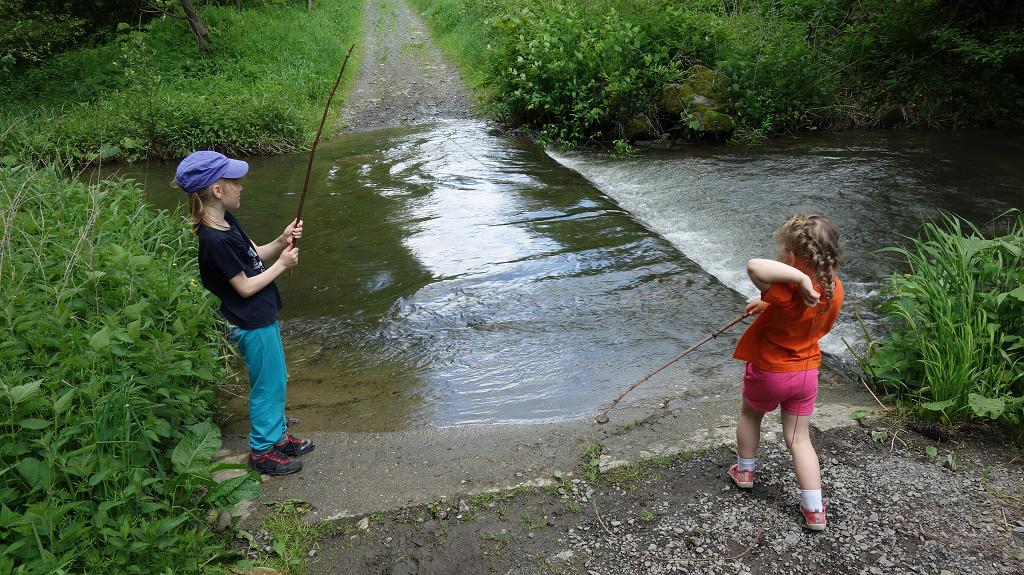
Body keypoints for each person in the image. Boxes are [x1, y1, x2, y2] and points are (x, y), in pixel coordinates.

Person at [175, 150, 315, 476]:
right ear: (217, 191)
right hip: (250, 322)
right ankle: (262, 452)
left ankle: (277, 437)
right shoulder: (213, 240)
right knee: (266, 385)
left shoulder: (227, 223)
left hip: (261, 316)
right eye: (235, 182)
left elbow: (256, 257)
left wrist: (280, 242)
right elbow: (245, 287)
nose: (241, 187)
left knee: (277, 378)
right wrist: (282, 265)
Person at [728, 212, 844, 530]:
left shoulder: (788, 286)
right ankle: (815, 509)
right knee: (799, 439)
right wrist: (770, 304)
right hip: (806, 374)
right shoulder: (834, 289)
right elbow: (802, 314)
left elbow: (754, 265)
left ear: (791, 256)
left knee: (751, 415)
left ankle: (745, 472)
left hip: (770, 372)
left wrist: (798, 279)